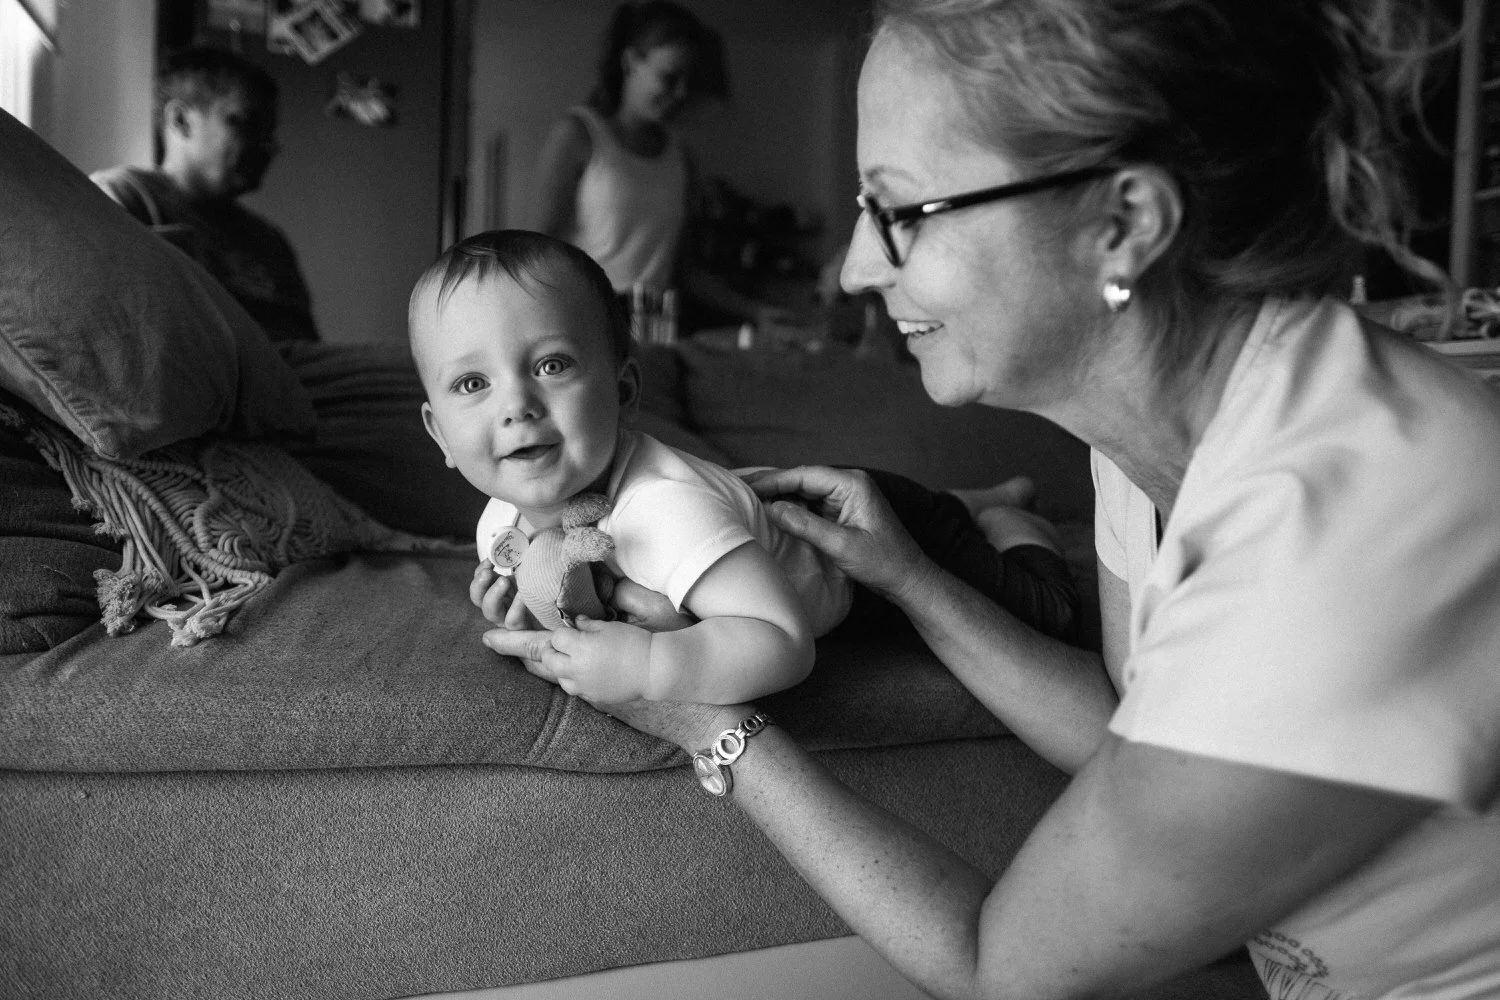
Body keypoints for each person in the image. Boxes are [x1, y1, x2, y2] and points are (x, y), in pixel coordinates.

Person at [489, 1, 1500, 997]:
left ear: (1125, 222)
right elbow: (1130, 733)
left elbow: (998, 967)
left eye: (896, 210)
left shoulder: (1327, 542)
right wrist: (910, 577)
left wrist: (708, 722)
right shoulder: (1140, 449)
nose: (851, 269)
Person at [410, 229, 1079, 705]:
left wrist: (651, 666)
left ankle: (1011, 515)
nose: (517, 406)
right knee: (939, 505)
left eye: (551, 365)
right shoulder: (500, 520)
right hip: (789, 505)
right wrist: (519, 597)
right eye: (472, 384)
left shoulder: (665, 510)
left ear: (622, 394)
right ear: (439, 432)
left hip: (858, 559)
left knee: (1046, 613)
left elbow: (783, 640)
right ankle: (978, 497)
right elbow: (558, 581)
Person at [530, 1, 797, 332]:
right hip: (588, 319)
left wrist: (756, 311)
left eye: (688, 80)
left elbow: (684, 269)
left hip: (656, 323)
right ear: (631, 63)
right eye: (669, 78)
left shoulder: (680, 158)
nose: (681, 92)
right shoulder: (578, 136)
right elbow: (539, 250)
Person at [92, 47, 319, 343]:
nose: (268, 146)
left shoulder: (270, 240)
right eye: (247, 123)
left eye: (270, 133)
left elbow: (309, 344)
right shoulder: (124, 194)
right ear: (181, 120)